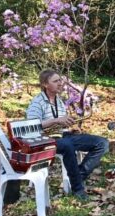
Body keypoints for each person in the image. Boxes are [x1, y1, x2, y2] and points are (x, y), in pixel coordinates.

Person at [26, 69, 109, 200]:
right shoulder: (37, 102)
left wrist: (70, 127)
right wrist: (56, 120)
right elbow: (31, 125)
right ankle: (78, 188)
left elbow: (60, 124)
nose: (60, 83)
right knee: (68, 145)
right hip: (45, 140)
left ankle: (79, 176)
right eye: (56, 81)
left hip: (62, 136)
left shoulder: (58, 100)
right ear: (45, 84)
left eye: (60, 80)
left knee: (102, 143)